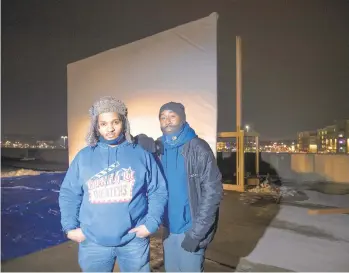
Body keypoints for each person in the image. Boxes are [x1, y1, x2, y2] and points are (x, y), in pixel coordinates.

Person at [58, 96, 168, 272]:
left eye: (115, 122)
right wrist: (70, 227)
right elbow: (69, 193)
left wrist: (151, 224)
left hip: (133, 241)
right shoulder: (84, 157)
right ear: (96, 126)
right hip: (93, 243)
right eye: (103, 124)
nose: (110, 129)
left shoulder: (141, 155)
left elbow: (158, 190)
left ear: (123, 122)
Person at [139, 102, 223, 272]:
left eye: (172, 116)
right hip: (169, 229)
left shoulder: (198, 148)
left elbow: (212, 193)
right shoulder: (160, 147)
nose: (167, 121)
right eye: (163, 117)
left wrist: (197, 234)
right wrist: (138, 140)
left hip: (191, 229)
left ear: (182, 120)